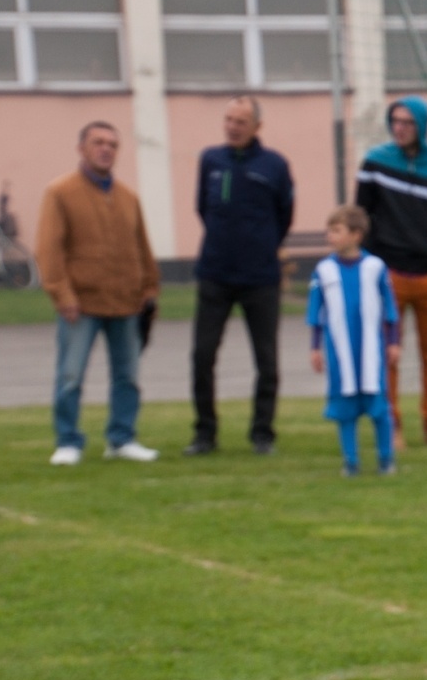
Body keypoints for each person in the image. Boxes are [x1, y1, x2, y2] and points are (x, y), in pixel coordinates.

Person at [35, 121, 160, 466]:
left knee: (127, 376)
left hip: (126, 302)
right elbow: (49, 249)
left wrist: (149, 288)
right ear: (82, 148)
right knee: (70, 376)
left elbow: (142, 247)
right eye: (98, 142)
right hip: (81, 304)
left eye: (112, 144)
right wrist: (61, 294)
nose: (106, 149)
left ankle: (122, 438)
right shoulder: (60, 192)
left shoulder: (128, 198)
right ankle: (68, 441)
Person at [185, 96, 295, 457]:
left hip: (260, 278)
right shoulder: (210, 160)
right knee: (202, 355)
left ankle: (262, 433)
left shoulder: (275, 165)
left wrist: (260, 245)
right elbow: (203, 207)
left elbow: (284, 215)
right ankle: (205, 433)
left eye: (241, 122)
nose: (233, 127)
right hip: (215, 274)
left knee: (266, 360)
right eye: (229, 120)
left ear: (257, 127)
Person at [356, 96, 427, 448]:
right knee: (388, 353)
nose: (400, 128)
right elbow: (362, 217)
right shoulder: (375, 162)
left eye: (407, 122)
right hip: (389, 276)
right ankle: (391, 426)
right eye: (395, 121)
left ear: (421, 125)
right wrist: (372, 265)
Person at [307, 205, 400, 477]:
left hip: (372, 353)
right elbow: (316, 313)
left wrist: (393, 341)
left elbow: (390, 308)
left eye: (337, 230)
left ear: (356, 234)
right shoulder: (323, 271)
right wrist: (315, 347)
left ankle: (386, 459)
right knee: (345, 409)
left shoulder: (375, 267)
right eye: (329, 230)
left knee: (379, 407)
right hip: (340, 354)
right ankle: (351, 461)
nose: (330, 236)